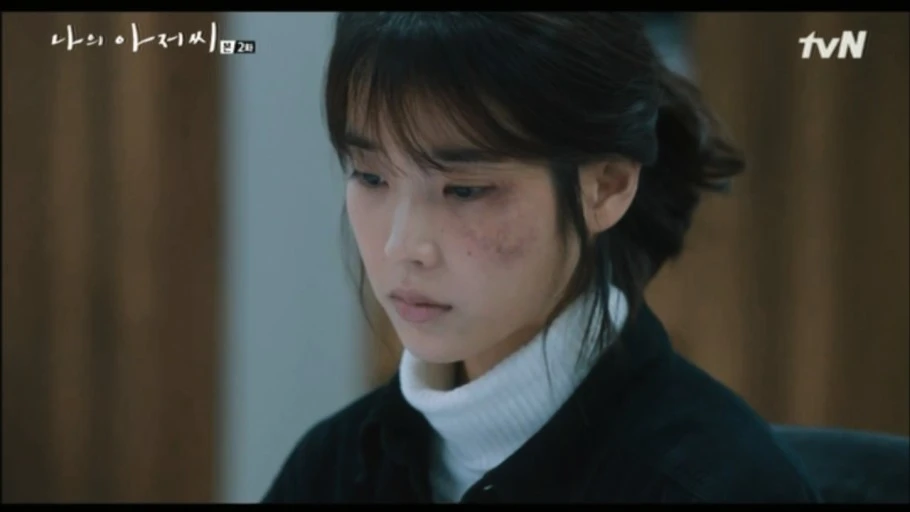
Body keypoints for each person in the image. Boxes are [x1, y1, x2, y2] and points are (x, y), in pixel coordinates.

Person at [262, 12, 821, 503]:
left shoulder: (719, 484)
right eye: (370, 177)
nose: (402, 247)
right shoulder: (333, 468)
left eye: (464, 190)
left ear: (606, 186)